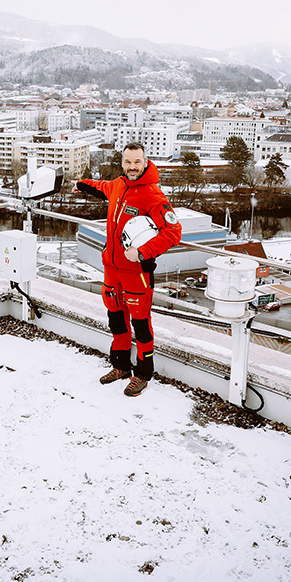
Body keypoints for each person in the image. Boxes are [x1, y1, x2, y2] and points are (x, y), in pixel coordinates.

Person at [73, 142, 182, 397]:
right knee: (116, 320)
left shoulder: (153, 196)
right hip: (111, 269)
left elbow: (173, 232)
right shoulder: (118, 185)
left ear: (145, 162)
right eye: (127, 162)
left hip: (137, 273)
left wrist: (143, 252)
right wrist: (80, 184)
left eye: (137, 162)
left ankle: (143, 374)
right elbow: (100, 188)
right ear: (122, 162)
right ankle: (121, 366)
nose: (132, 167)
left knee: (141, 325)